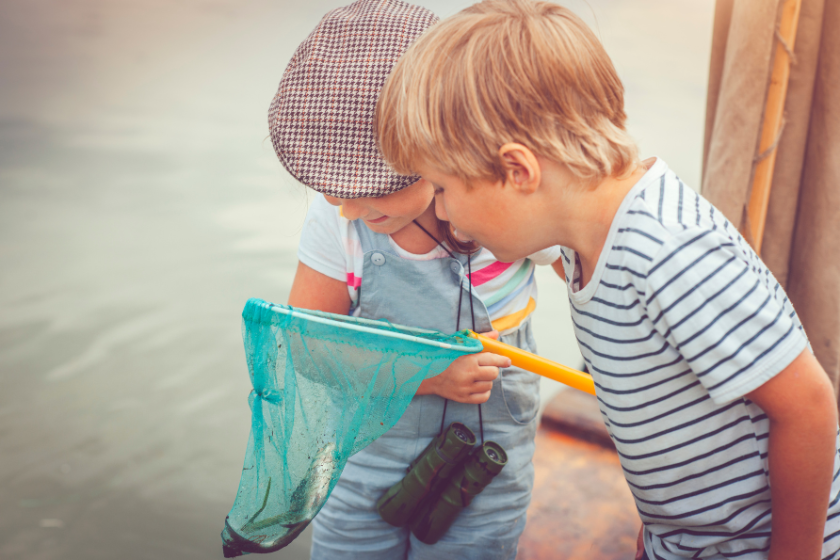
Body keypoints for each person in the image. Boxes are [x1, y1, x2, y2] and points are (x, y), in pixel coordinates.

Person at [374, 1, 840, 559]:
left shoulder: (669, 253)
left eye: (443, 189)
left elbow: (808, 407)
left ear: (518, 171)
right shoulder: (584, 242)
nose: (442, 213)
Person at [269, 1, 561, 558]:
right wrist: (427, 375)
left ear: (445, 145)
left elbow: (590, 275)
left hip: (486, 454)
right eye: (333, 187)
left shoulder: (509, 201)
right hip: (364, 451)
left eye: (372, 187)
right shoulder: (339, 221)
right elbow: (311, 348)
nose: (348, 207)